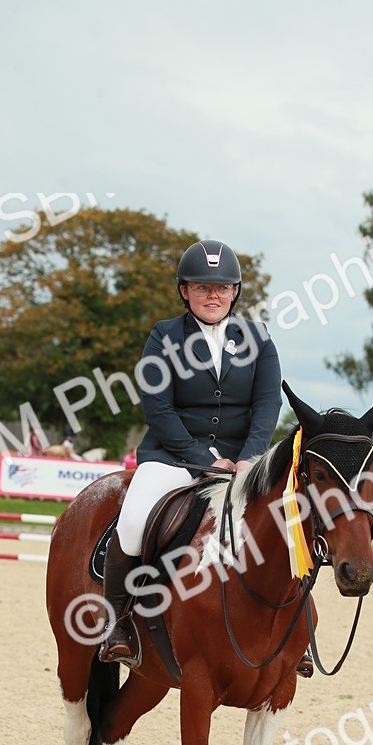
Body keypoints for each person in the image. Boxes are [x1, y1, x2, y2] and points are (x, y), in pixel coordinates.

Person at [99, 239, 282, 664]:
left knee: (289, 521)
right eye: (201, 287)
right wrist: (203, 459)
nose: (213, 295)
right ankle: (119, 623)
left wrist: (250, 458)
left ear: (235, 292)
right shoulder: (164, 335)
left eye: (222, 287)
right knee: (132, 521)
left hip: (244, 460)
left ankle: (301, 631)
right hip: (173, 457)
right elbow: (157, 407)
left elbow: (267, 404)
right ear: (184, 290)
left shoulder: (258, 338)